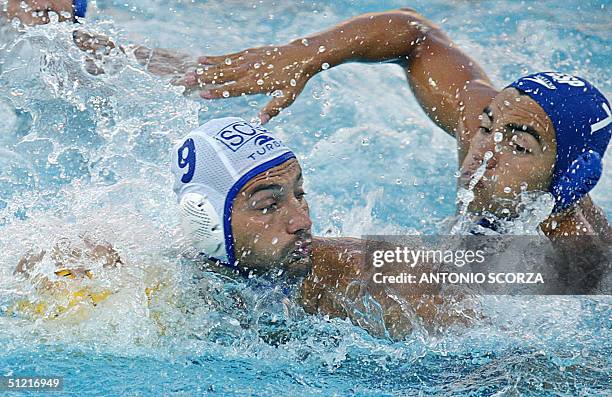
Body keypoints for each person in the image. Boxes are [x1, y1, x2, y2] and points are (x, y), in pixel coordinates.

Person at [178, 8, 612, 240]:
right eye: (485, 126)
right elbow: (417, 36)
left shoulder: (575, 261)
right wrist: (305, 54)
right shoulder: (493, 128)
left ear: (568, 181)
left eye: (519, 147)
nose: (483, 152)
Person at [171, 116, 472, 340]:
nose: (302, 221)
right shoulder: (160, 286)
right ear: (206, 219)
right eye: (268, 206)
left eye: (299, 194)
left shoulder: (378, 280)